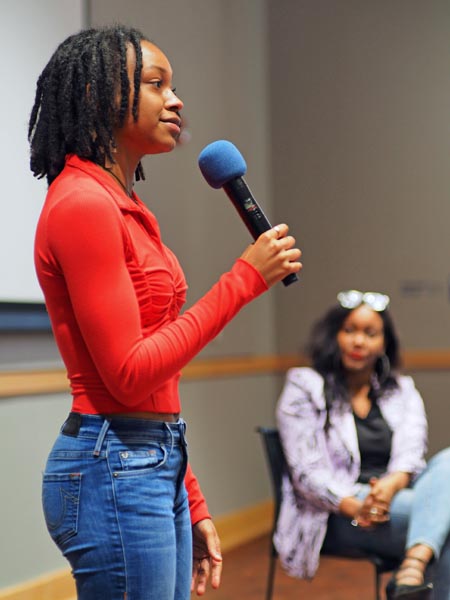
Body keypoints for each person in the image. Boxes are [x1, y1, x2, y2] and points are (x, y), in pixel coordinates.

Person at [29, 25, 302, 600]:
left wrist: (190, 495)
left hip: (147, 460)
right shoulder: (82, 204)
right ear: (95, 96)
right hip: (112, 466)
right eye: (156, 84)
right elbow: (128, 374)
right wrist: (245, 278)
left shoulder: (120, 203)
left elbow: (155, 383)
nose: (176, 100)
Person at [274, 290, 450, 600]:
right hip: (340, 510)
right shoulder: (305, 385)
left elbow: (412, 450)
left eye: (371, 333)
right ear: (334, 335)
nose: (359, 341)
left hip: (394, 493)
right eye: (350, 330)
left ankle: (413, 564)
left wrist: (389, 485)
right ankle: (414, 569)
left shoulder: (402, 390)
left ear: (384, 343)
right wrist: (357, 504)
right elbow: (306, 471)